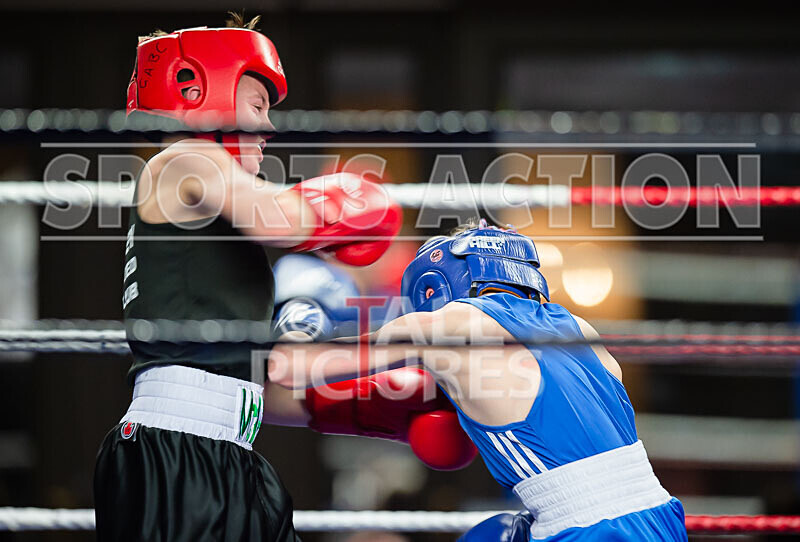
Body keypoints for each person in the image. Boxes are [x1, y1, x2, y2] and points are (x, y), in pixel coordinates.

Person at [94, 14, 402, 542]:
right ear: (202, 91)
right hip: (175, 450)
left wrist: (366, 402)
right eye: (258, 105)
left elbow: (268, 381)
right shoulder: (184, 158)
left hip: (231, 453)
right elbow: (277, 220)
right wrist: (345, 203)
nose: (270, 126)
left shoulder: (224, 227)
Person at [269, 220, 689, 541]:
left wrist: (299, 308)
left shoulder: (452, 323)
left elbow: (290, 367)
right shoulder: (580, 329)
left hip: (588, 531)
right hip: (662, 519)